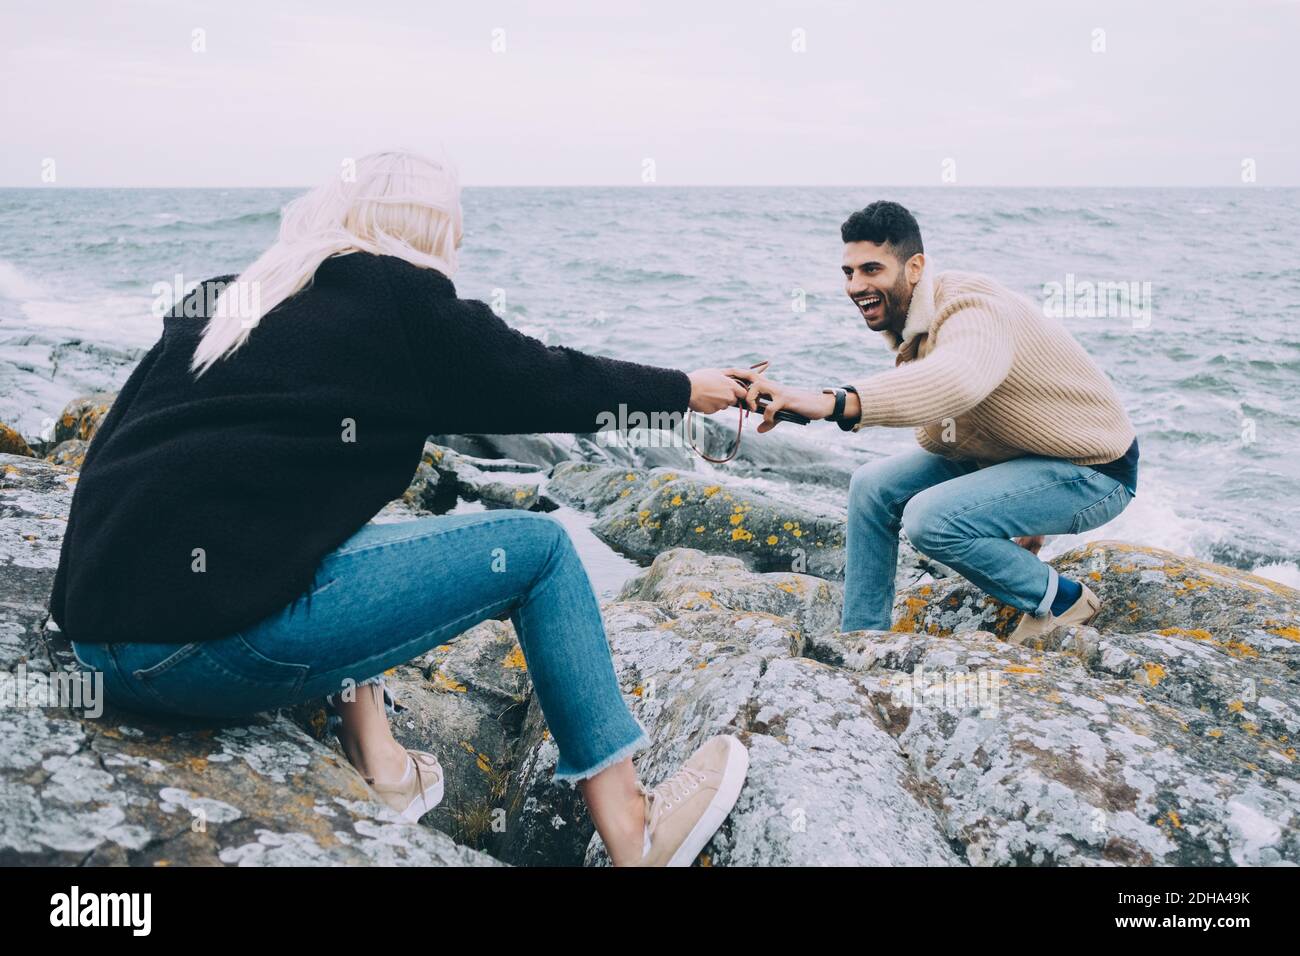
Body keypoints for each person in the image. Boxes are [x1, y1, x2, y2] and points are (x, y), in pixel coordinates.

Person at [52, 149, 750, 867]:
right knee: (540, 553)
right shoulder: (400, 299)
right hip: (198, 655)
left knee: (320, 519)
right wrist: (683, 389)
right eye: (454, 231)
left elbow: (118, 444)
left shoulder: (232, 296)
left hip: (99, 646)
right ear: (427, 231)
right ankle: (636, 831)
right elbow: (547, 381)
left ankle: (381, 763)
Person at [733, 201, 1138, 644]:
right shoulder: (914, 327)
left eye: (872, 269)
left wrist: (833, 402)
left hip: (1095, 471)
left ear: (914, 267)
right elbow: (998, 412)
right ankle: (863, 636)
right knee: (871, 486)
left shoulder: (971, 307)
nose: (856, 286)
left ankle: (1062, 599)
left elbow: (958, 380)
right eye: (848, 272)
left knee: (933, 520)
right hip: (1024, 455)